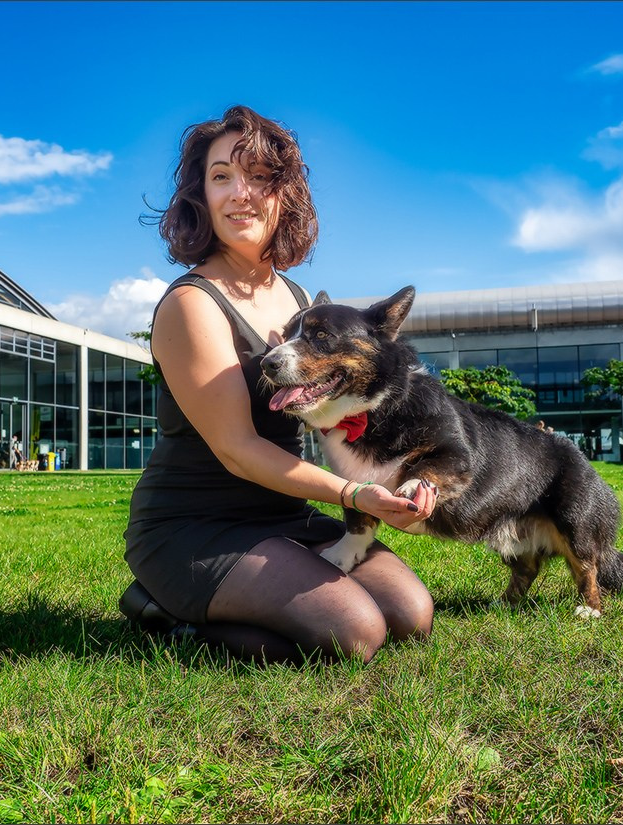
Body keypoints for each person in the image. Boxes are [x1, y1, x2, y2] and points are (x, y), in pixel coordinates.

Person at [121, 105, 437, 665]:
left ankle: (239, 605)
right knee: (355, 633)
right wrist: (354, 496)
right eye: (221, 176)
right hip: (196, 525)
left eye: (259, 177)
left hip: (285, 514)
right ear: (201, 195)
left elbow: (346, 415)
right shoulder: (192, 304)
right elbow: (239, 450)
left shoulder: (298, 301)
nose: (240, 193)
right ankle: (161, 607)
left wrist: (408, 478)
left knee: (410, 614)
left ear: (284, 194)